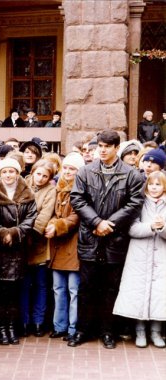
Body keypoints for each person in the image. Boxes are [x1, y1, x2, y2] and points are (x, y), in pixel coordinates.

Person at [69, 129, 145, 349]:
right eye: (99, 146)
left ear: (116, 148)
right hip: (90, 238)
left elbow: (134, 203)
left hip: (115, 239)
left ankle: (107, 331)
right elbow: (78, 199)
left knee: (111, 288)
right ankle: (82, 330)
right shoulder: (85, 171)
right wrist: (96, 222)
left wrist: (108, 224)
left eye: (106, 147)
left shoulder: (131, 174)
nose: (101, 150)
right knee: (86, 288)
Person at [0, 158, 37, 345]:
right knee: (0, 291)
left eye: (11, 171)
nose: (8, 175)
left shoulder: (27, 192)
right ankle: (1, 329)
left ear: (17, 172)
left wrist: (15, 232)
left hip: (17, 249)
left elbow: (31, 217)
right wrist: (1, 232)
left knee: (14, 291)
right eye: (4, 172)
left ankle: (12, 327)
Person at [113, 171, 166, 348]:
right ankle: (140, 331)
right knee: (138, 292)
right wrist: (150, 226)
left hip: (161, 255)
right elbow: (132, 229)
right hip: (139, 256)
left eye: (158, 184)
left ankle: (156, 331)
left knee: (159, 294)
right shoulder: (139, 204)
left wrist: (162, 228)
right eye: (151, 184)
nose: (154, 187)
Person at [45, 152, 85, 342]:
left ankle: (72, 327)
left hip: (73, 245)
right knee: (58, 289)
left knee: (73, 290)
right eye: (66, 168)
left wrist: (57, 226)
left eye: (73, 169)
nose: (68, 172)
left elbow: (76, 217)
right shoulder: (57, 189)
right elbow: (52, 212)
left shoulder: (82, 189)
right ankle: (59, 325)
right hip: (57, 246)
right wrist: (51, 223)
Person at [22, 160, 57, 337]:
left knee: (41, 285)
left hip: (38, 242)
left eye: (45, 176)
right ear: (33, 172)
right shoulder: (23, 185)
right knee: (24, 285)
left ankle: (38, 321)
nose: (41, 178)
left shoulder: (51, 191)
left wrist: (31, 232)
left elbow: (44, 214)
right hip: (21, 242)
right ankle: (24, 321)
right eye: (38, 174)